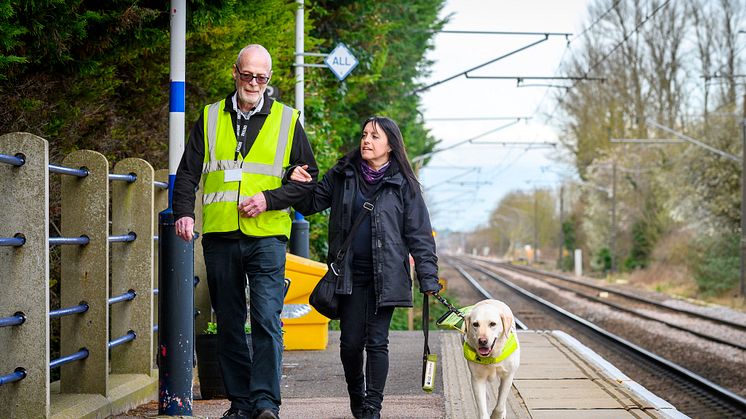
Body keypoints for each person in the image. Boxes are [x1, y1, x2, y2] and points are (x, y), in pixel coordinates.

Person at [173, 44, 318, 419]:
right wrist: (184, 213)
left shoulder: (287, 120)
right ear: (235, 72)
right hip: (221, 235)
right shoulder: (208, 117)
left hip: (267, 235)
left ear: (269, 80)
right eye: (248, 75)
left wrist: (269, 199)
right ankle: (240, 404)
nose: (254, 83)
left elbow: (308, 180)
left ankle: (267, 403)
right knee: (229, 322)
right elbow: (188, 172)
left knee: (268, 318)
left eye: (262, 78)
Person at [289, 116, 440, 419]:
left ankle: (372, 407)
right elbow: (311, 204)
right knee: (349, 344)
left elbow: (419, 234)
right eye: (364, 135)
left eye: (375, 136)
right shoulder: (343, 174)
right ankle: (357, 396)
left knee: (377, 342)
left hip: (386, 276)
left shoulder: (404, 184)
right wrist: (294, 181)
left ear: (390, 146)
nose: (366, 141)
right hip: (349, 275)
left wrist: (428, 276)